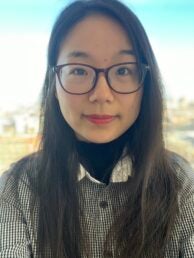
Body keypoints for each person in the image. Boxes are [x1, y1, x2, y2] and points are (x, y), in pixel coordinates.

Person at [0, 0, 193, 257]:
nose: (101, 94)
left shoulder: (179, 182)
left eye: (123, 69)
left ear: (145, 85)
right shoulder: (17, 188)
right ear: (53, 84)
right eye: (79, 71)